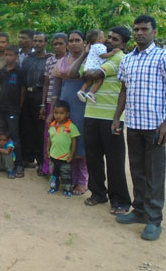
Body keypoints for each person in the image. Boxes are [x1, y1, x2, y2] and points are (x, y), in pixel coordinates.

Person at [112, 15, 166, 241]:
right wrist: (116, 118)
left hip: (155, 128)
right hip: (134, 125)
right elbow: (124, 91)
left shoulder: (164, 57)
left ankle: (153, 220)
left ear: (154, 31)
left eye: (144, 28)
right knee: (137, 171)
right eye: (136, 29)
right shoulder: (128, 59)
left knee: (154, 175)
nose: (140, 32)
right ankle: (139, 211)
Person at [68, 26, 132, 214]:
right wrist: (86, 54)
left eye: (116, 39)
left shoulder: (121, 58)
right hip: (91, 113)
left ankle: (119, 199)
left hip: (111, 117)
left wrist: (90, 66)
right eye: (109, 37)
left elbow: (93, 74)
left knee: (114, 160)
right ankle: (97, 193)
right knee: (93, 157)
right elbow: (76, 73)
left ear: (124, 44)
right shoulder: (97, 55)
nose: (110, 41)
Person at [49, 31, 89, 195]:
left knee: (80, 141)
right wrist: (53, 110)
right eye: (71, 41)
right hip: (64, 104)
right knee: (64, 139)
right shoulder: (62, 62)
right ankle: (68, 180)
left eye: (77, 40)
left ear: (84, 42)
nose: (73, 43)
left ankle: (82, 181)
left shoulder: (90, 61)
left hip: (83, 105)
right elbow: (55, 88)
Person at [20, 32, 49, 174]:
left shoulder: (48, 60)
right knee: (27, 127)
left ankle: (41, 161)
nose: (37, 44)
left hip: (40, 95)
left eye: (40, 41)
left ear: (45, 43)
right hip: (27, 95)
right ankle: (28, 158)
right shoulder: (27, 60)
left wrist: (43, 103)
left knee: (39, 129)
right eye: (35, 41)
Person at [40, 32, 68, 175]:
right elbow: (46, 84)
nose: (57, 46)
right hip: (51, 102)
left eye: (60, 44)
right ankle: (48, 168)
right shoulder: (50, 60)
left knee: (64, 136)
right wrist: (44, 104)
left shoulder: (71, 60)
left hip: (67, 103)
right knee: (49, 135)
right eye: (55, 44)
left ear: (66, 45)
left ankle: (64, 170)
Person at [0, 45, 26, 177]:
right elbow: (1, 86)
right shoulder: (2, 71)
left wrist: (18, 108)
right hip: (1, 107)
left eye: (11, 55)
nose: (8, 57)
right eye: (6, 55)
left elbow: (22, 90)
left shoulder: (20, 71)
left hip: (13, 109)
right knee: (2, 135)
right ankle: (4, 163)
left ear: (16, 56)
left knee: (15, 137)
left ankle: (19, 164)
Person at [77, 29, 121, 104]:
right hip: (94, 69)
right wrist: (112, 53)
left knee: (89, 82)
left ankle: (82, 90)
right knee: (99, 81)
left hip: (87, 68)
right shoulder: (101, 46)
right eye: (104, 37)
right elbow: (103, 55)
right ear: (99, 39)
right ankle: (91, 93)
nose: (106, 39)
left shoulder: (92, 47)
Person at [46, 100, 79, 198]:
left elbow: (74, 142)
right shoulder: (52, 126)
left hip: (65, 157)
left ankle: (67, 189)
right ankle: (53, 187)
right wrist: (48, 151)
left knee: (66, 175)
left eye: (61, 113)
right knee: (53, 174)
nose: (58, 116)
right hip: (53, 156)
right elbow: (49, 139)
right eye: (56, 113)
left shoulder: (71, 127)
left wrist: (72, 155)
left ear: (67, 114)